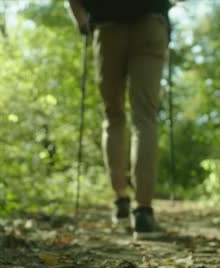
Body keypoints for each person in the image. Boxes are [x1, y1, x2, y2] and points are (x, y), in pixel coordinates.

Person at [68, 0, 172, 240]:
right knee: (144, 117)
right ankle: (144, 212)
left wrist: (83, 24)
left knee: (113, 116)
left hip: (106, 27)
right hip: (150, 22)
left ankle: (121, 201)